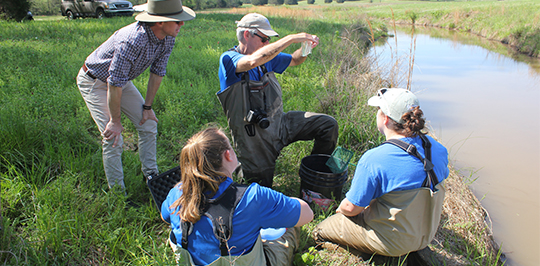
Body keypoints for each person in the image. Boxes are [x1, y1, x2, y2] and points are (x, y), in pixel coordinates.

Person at [76, 0, 195, 190]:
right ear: (159, 22)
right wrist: (115, 121)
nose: (181, 25)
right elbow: (113, 83)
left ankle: (152, 176)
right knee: (113, 137)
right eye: (177, 21)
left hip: (121, 81)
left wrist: (147, 107)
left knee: (148, 124)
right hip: (95, 82)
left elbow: (157, 73)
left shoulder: (168, 38)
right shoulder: (131, 40)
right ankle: (117, 192)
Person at [313, 88, 449, 257]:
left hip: (392, 243)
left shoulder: (374, 159)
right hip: (425, 236)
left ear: (385, 119)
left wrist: (339, 211)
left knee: (321, 230)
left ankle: (374, 257)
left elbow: (350, 208)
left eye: (378, 110)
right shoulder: (439, 149)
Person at [217, 13, 339, 188]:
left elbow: (296, 60)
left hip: (279, 123)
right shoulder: (229, 59)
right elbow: (252, 61)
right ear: (246, 35)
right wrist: (290, 39)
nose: (268, 43)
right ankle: (241, 168)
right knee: (260, 189)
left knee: (328, 125)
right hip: (253, 139)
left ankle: (316, 171)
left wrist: (306, 47)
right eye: (265, 38)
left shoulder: (268, 59)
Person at [161, 127, 314, 265]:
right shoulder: (253, 197)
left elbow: (165, 216)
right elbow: (307, 215)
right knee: (289, 229)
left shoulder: (176, 193)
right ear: (228, 155)